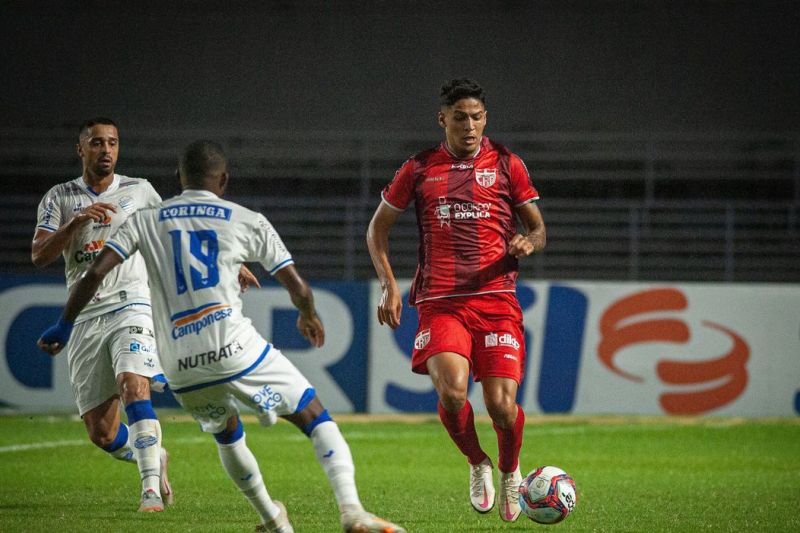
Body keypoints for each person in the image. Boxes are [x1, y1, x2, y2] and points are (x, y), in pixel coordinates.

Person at [38, 140, 406, 533]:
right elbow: (297, 285)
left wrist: (63, 324)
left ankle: (273, 519)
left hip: (181, 366)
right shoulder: (247, 219)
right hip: (234, 348)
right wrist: (308, 315)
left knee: (227, 435)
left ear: (179, 179)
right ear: (224, 180)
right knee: (315, 416)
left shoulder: (145, 220)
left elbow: (94, 274)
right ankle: (352, 512)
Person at [366, 78, 546, 522]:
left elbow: (539, 229)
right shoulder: (420, 167)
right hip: (442, 301)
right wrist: (389, 284)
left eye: (478, 117)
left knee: (502, 407)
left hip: (497, 299)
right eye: (461, 117)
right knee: (452, 392)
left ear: (486, 118)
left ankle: (508, 471)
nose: (470, 126)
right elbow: (377, 229)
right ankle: (477, 462)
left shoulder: (507, 163)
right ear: (442, 119)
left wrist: (529, 241)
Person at [32, 117, 174, 512]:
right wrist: (75, 223)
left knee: (133, 383)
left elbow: (171, 234)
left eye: (112, 142)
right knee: (102, 431)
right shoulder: (59, 198)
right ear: (81, 149)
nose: (106, 150)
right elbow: (39, 254)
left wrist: (227, 265)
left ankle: (149, 490)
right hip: (85, 315)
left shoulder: (140, 191)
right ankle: (153, 455)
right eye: (96, 143)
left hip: (132, 302)